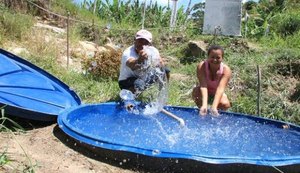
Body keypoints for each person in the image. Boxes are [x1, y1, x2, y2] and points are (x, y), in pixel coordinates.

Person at [118, 29, 168, 94]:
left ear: (149, 44)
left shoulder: (153, 51)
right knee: (139, 83)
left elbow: (160, 64)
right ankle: (128, 99)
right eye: (140, 41)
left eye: (145, 42)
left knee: (165, 71)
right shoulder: (128, 52)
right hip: (126, 81)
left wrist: (160, 63)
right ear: (135, 41)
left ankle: (161, 95)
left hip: (143, 79)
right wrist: (139, 60)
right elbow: (131, 65)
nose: (142, 45)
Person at [192, 45, 231, 116]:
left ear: (222, 58)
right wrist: (204, 105)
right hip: (204, 91)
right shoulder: (202, 66)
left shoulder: (226, 70)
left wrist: (214, 107)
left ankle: (216, 116)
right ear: (208, 57)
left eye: (218, 57)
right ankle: (202, 112)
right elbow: (203, 86)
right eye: (212, 57)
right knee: (196, 93)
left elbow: (220, 89)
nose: (215, 60)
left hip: (217, 92)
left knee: (225, 104)